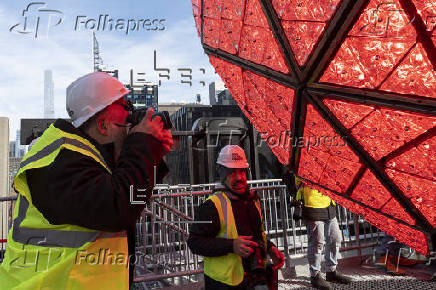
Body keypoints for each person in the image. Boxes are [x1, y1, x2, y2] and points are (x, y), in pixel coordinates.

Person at [0, 72, 173, 289]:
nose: (131, 115)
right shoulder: (58, 161)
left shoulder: (88, 155)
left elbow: (130, 193)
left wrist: (153, 152)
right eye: (125, 108)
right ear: (103, 125)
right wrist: (142, 145)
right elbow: (120, 207)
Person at [187, 145, 285, 289]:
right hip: (223, 284)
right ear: (222, 175)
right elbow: (194, 242)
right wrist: (231, 246)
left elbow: (256, 236)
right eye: (232, 173)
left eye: (241, 172)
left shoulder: (253, 200)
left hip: (254, 278)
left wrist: (270, 248)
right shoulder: (212, 205)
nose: (239, 178)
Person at [293, 176, 351, 290]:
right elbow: (298, 179)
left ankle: (331, 271)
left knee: (335, 238)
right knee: (317, 242)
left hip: (328, 203)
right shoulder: (302, 161)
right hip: (312, 204)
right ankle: (315, 275)